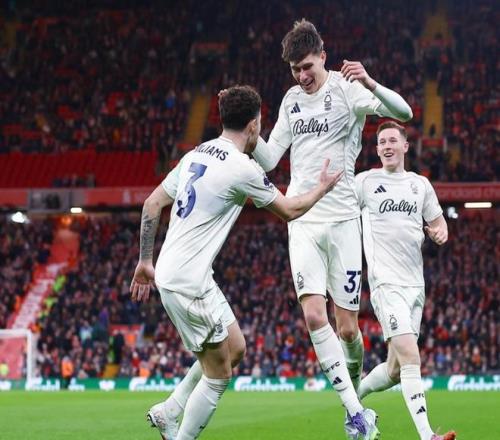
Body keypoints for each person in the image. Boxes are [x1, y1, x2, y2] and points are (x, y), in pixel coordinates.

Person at [129, 85, 348, 440]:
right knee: (219, 376)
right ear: (254, 125)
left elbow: (151, 204)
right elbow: (290, 210)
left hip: (184, 274)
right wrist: (322, 187)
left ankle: (170, 409)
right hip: (188, 284)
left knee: (237, 348)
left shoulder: (195, 154)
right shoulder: (242, 168)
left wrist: (144, 261)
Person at [249, 18, 412, 437]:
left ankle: (354, 395)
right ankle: (355, 412)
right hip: (302, 218)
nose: (302, 76)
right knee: (312, 313)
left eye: (308, 66)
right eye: (295, 70)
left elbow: (404, 113)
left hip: (343, 222)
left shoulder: (347, 89)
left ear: (323, 57)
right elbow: (270, 158)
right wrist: (246, 131)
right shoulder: (290, 100)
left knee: (348, 329)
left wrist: (371, 83)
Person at [355, 121, 456, 440]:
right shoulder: (365, 182)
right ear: (377, 149)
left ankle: (353, 397)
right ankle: (428, 435)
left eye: (392, 141)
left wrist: (440, 233)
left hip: (415, 285)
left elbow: (439, 223)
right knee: (411, 356)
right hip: (386, 284)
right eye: (382, 142)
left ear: (405, 146)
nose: (386, 146)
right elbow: (337, 211)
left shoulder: (420, 185)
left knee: (396, 369)